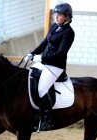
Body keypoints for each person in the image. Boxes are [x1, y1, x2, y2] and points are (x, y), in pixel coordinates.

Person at [25, 3, 75, 131]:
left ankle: (48, 119)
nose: (56, 17)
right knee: (29, 78)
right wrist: (33, 53)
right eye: (56, 15)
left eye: (59, 15)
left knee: (42, 89)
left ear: (67, 17)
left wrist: (41, 58)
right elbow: (44, 43)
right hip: (44, 62)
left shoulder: (69, 32)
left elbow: (61, 53)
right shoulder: (54, 26)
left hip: (56, 66)